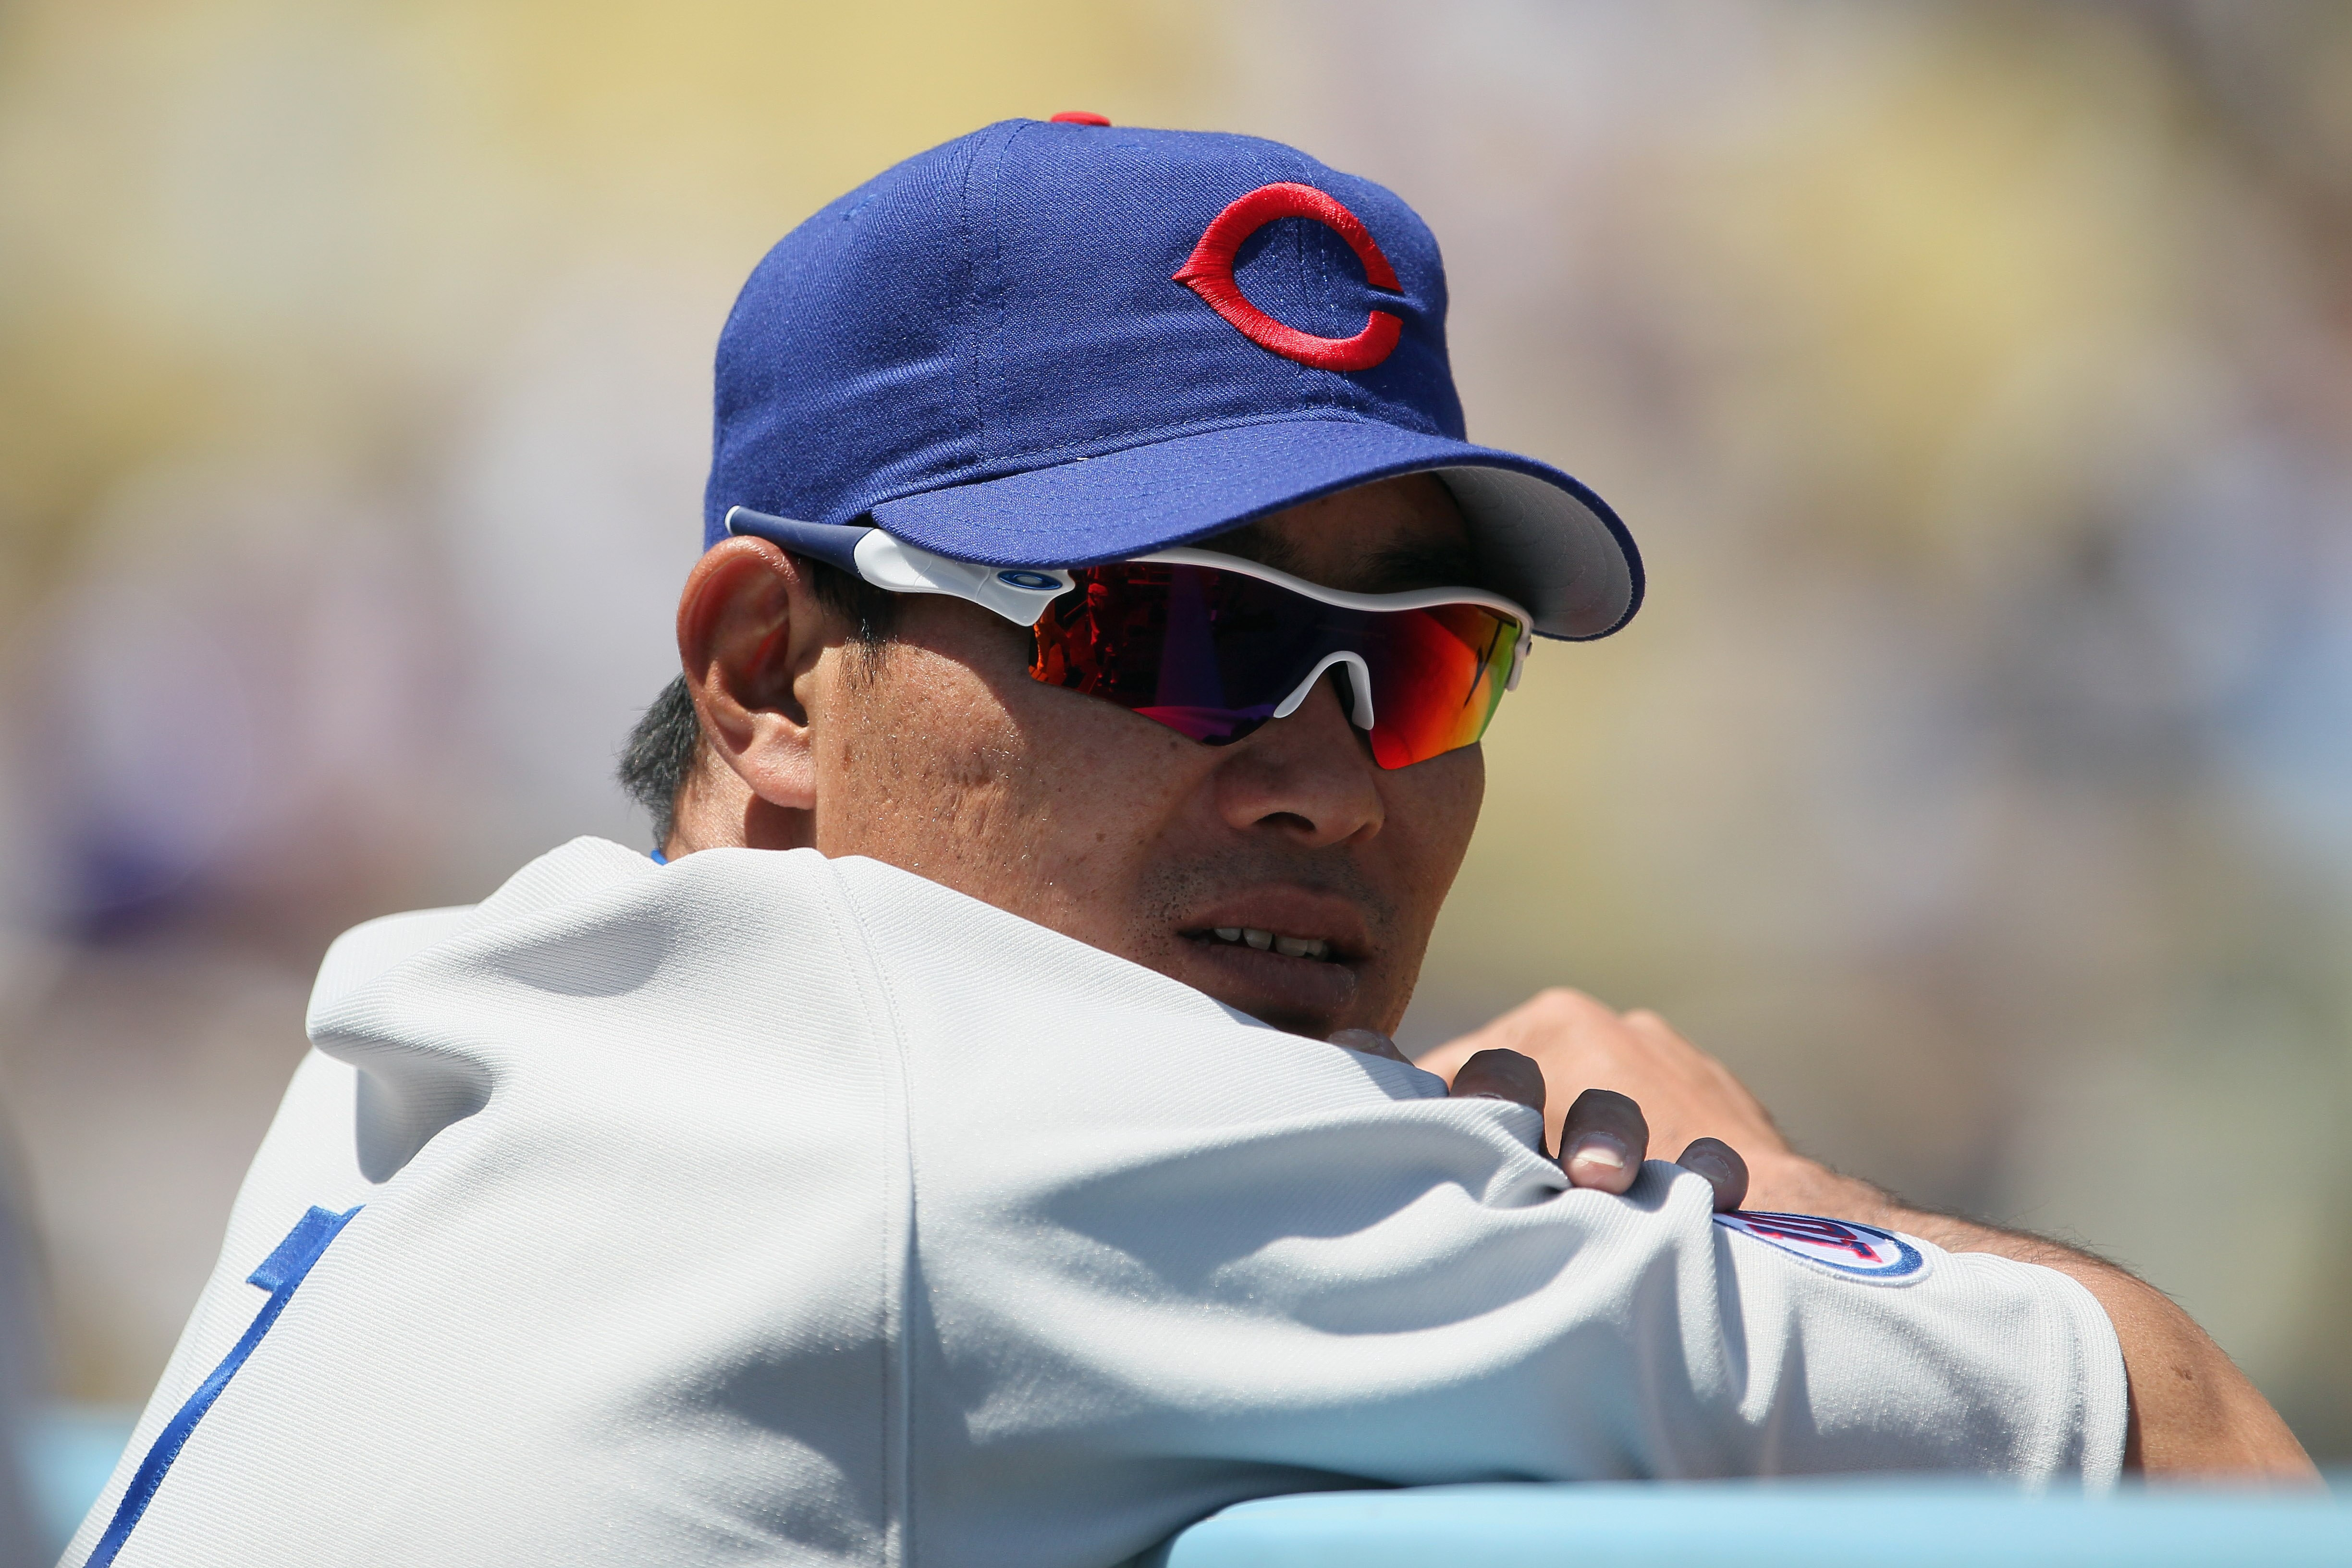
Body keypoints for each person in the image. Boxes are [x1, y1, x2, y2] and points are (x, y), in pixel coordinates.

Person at [68, 117, 2310, 1568]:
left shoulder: (475, 1061)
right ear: (768, 678)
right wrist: (1797, 1210)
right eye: (1182, 631)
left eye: (1424, 665)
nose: (1330, 778)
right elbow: (2197, 1447)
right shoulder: (956, 1095)